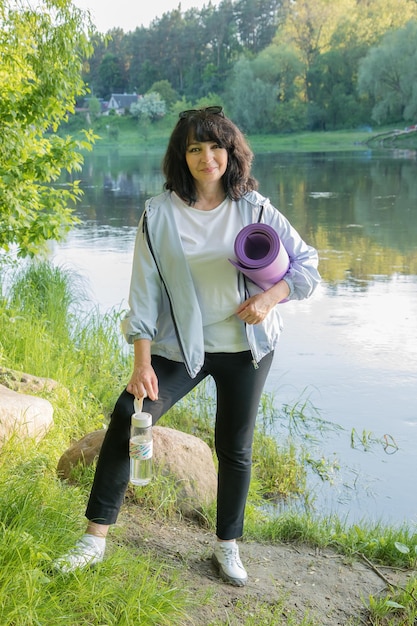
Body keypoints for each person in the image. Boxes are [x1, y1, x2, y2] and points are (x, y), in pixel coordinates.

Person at [54, 106, 321, 586]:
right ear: (182, 155)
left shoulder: (256, 208)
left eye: (215, 146)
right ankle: (94, 538)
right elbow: (144, 292)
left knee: (234, 446)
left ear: (231, 151)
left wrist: (271, 297)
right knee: (126, 415)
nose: (206, 157)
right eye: (194, 148)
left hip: (247, 348)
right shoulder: (159, 214)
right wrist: (141, 361)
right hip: (181, 349)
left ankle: (227, 546)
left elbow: (308, 265)